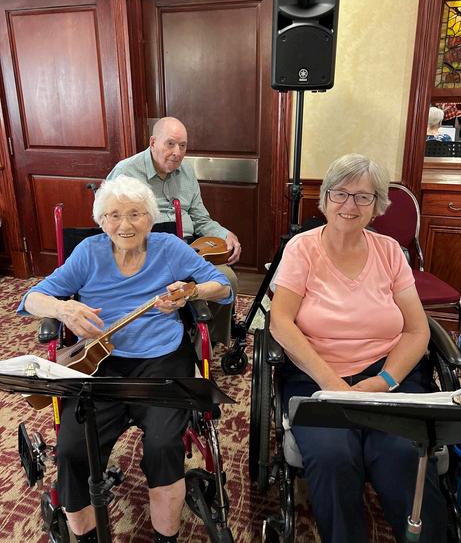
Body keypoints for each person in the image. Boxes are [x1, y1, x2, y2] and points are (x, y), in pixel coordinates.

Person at [17, 175, 233, 543]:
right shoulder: (88, 253)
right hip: (98, 364)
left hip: (163, 361)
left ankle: (165, 538)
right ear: (101, 221)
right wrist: (63, 309)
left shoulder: (169, 247)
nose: (125, 225)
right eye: (114, 215)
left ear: (150, 218)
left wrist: (191, 292)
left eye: (135, 214)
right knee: (72, 450)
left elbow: (223, 287)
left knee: (164, 446)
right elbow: (31, 298)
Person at [269, 154, 447, 543]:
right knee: (333, 456)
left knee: (403, 452)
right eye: (340, 193)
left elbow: (417, 330)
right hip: (315, 375)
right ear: (325, 198)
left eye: (363, 197)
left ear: (377, 205)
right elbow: (280, 322)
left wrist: (384, 381)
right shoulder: (302, 249)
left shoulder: (390, 252)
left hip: (389, 375)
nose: (349, 205)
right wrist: (331, 382)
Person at [106, 117, 240, 346]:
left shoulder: (186, 171)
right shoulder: (126, 172)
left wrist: (224, 234)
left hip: (189, 248)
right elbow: (108, 221)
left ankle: (207, 343)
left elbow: (200, 218)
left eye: (183, 146)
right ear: (153, 142)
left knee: (227, 279)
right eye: (170, 144)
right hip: (147, 252)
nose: (177, 152)